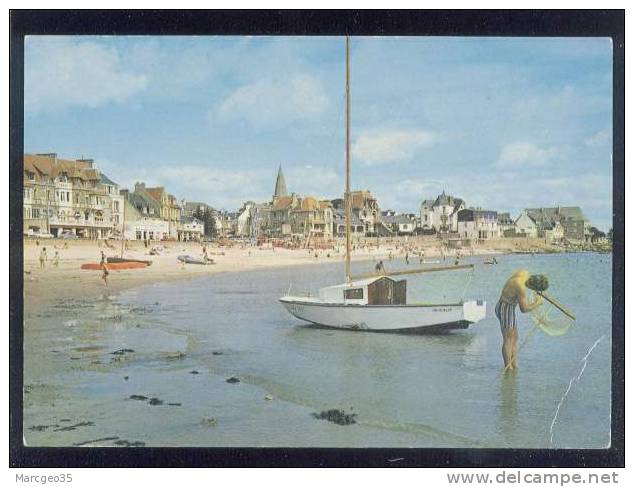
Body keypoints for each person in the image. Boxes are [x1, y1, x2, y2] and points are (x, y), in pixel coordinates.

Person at [495, 270, 544, 370]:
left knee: (515, 337)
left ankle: (514, 365)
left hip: (509, 307)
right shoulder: (520, 287)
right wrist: (537, 304)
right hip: (505, 307)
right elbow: (524, 309)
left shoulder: (524, 273)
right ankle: (508, 367)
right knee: (508, 339)